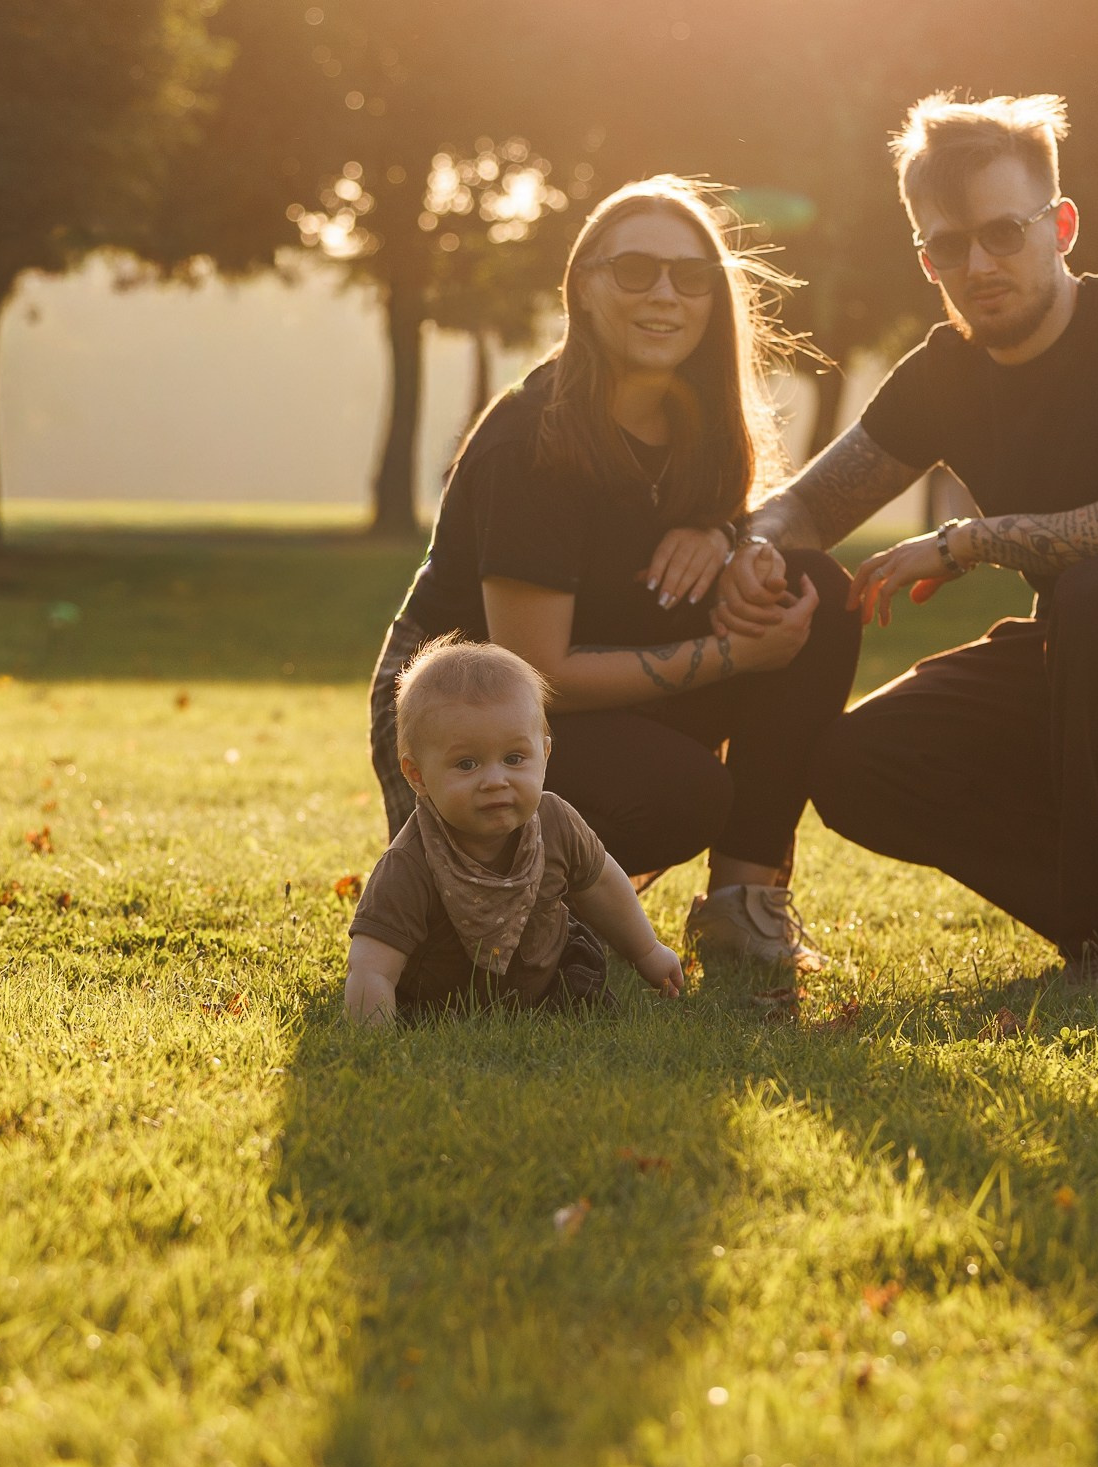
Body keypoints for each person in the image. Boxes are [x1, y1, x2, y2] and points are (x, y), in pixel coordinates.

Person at [726, 93, 1098, 994]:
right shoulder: (946, 373)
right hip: (1079, 673)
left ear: (1062, 225)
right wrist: (749, 548)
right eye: (946, 246)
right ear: (925, 257)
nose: (977, 264)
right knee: (853, 766)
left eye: (1004, 232)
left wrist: (968, 542)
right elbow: (805, 509)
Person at [366, 176, 864, 971]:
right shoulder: (533, 439)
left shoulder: (696, 420)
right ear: (585, 287)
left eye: (690, 275)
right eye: (635, 270)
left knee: (816, 595)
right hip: (469, 717)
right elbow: (537, 673)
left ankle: (744, 906)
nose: (665, 294)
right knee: (686, 791)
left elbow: (696, 531)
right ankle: (506, 894)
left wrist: (729, 538)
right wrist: (734, 658)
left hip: (597, 676)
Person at [346, 637, 684, 1024]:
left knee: (583, 979)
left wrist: (647, 952)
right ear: (418, 776)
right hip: (441, 1002)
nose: (495, 780)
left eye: (513, 758)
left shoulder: (555, 820)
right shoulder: (412, 860)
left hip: (547, 980)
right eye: (467, 764)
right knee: (421, 1014)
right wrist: (373, 1038)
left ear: (545, 756)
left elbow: (602, 884)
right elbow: (372, 965)